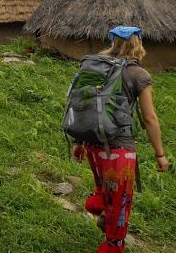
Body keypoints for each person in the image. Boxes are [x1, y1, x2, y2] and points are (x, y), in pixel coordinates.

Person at [72, 26, 169, 253]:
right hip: (120, 148)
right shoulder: (139, 74)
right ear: (138, 43)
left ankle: (99, 204)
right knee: (120, 200)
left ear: (113, 42)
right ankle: (113, 245)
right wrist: (160, 154)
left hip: (93, 144)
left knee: (105, 186)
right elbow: (149, 118)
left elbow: (84, 105)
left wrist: (79, 141)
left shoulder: (96, 67)